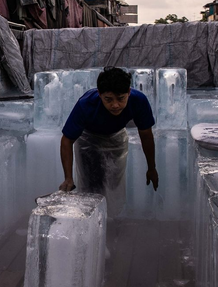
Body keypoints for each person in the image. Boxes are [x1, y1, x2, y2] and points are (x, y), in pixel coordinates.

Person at [59, 67, 158, 210]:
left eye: (121, 98)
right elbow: (67, 141)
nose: (115, 105)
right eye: (108, 99)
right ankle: (92, 220)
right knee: (92, 184)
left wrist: (152, 168)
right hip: (89, 140)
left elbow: (146, 136)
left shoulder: (138, 101)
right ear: (99, 94)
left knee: (113, 183)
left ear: (129, 93)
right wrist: (68, 177)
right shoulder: (86, 105)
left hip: (116, 137)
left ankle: (113, 220)